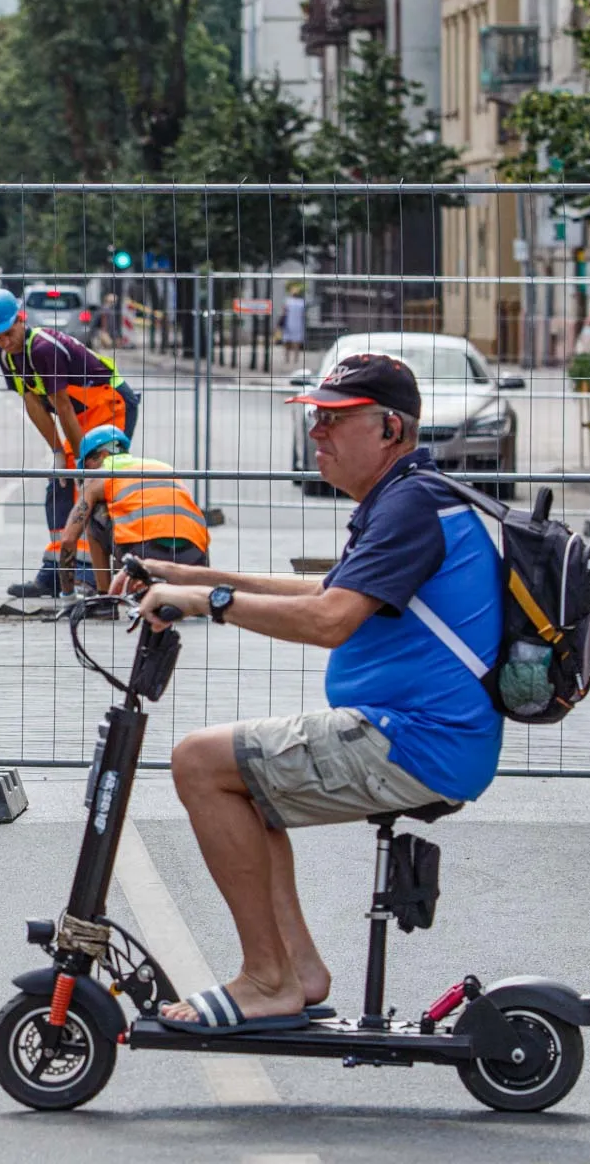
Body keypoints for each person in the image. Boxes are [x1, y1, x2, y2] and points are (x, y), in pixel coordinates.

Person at [118, 353, 503, 1033]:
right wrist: (183, 574)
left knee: (200, 763)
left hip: (415, 740)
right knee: (244, 782)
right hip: (417, 734)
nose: (316, 432)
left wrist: (207, 601)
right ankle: (298, 971)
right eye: (315, 418)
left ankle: (265, 980)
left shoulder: (412, 505)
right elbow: (324, 592)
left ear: (390, 429)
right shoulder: (407, 496)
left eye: (333, 419)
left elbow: (329, 621)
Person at [0, 290, 142, 599]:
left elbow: (62, 405)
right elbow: (33, 402)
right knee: (60, 489)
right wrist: (59, 453)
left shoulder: (45, 349)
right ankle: (58, 573)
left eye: (8, 333)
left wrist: (82, 464)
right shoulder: (6, 354)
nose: (4, 341)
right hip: (79, 415)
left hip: (108, 406)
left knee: (94, 489)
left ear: (21, 319)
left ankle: (96, 576)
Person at [50, 426, 209, 598]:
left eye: (86, 465)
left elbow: (68, 539)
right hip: (193, 558)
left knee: (95, 516)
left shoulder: (99, 477)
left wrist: (68, 596)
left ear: (102, 455)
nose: (85, 472)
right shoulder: (161, 466)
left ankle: (105, 601)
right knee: (182, 517)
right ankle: (195, 595)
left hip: (143, 555)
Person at [280, 282, 308, 367]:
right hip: (298, 324)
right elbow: (304, 314)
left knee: (287, 343)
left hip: (289, 324)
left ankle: (287, 359)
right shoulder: (302, 302)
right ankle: (295, 359)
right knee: (296, 343)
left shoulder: (288, 301)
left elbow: (284, 312)